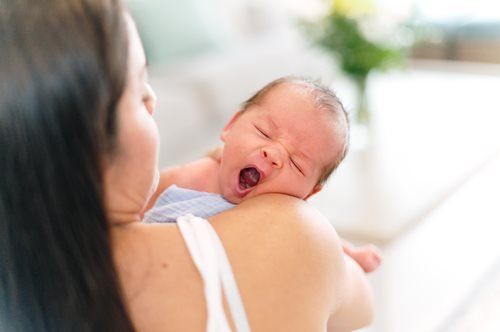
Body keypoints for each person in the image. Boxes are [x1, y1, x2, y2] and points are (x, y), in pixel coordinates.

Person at [0, 0, 374, 331]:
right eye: (139, 87)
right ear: (90, 135)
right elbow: (363, 307)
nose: (153, 101)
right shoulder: (291, 236)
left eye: (294, 161)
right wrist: (322, 241)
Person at [144, 77, 382, 273]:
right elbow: (136, 211)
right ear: (230, 125)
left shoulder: (283, 214)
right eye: (264, 132)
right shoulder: (190, 177)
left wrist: (350, 254)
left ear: (309, 193)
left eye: (296, 163)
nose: (273, 154)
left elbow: (321, 241)